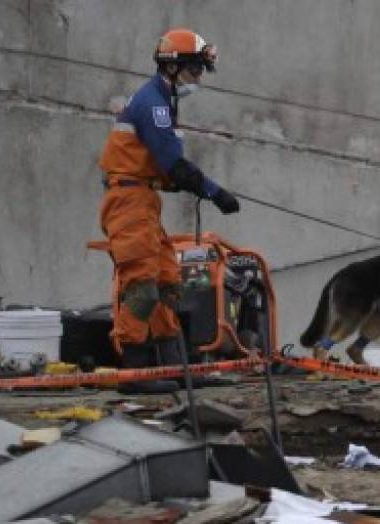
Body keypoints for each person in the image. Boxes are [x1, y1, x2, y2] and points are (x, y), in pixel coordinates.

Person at [98, 28, 240, 393]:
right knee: (142, 288)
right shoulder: (154, 105)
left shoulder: (161, 100)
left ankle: (176, 368)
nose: (198, 79)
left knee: (167, 283)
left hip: (143, 199)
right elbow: (174, 166)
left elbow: (162, 170)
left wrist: (186, 184)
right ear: (174, 68)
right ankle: (134, 374)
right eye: (195, 71)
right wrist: (214, 192)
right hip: (129, 203)